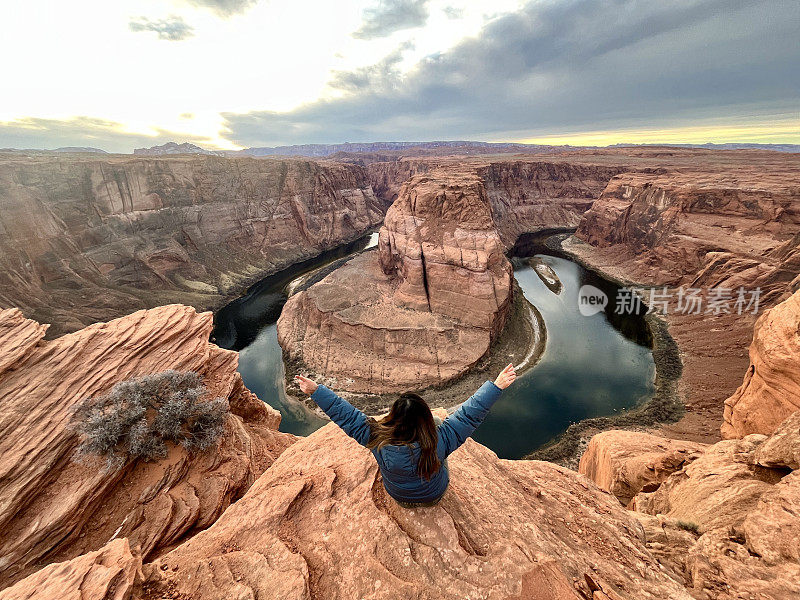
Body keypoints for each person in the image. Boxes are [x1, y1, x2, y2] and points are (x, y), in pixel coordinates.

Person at [294, 363, 517, 508]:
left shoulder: (376, 438)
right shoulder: (438, 441)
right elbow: (469, 415)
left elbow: (348, 417)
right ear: (424, 419)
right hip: (433, 496)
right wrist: (496, 386)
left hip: (399, 498)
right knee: (443, 425)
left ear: (393, 417)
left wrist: (316, 391)